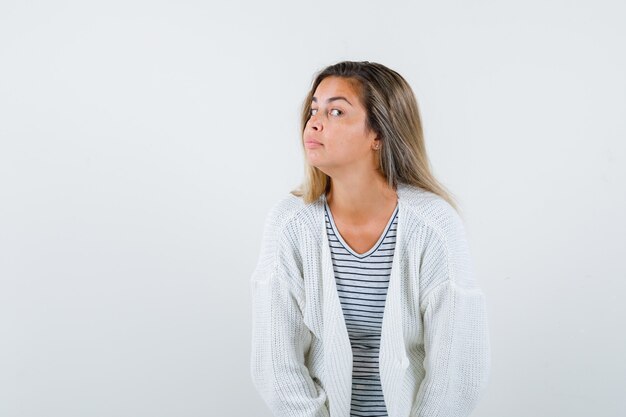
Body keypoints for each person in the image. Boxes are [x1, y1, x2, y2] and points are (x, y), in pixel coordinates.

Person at [249, 61, 490, 417]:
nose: (314, 122)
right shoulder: (290, 224)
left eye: (336, 111)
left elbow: (456, 370)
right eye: (314, 109)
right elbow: (276, 364)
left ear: (378, 134)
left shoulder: (434, 226)